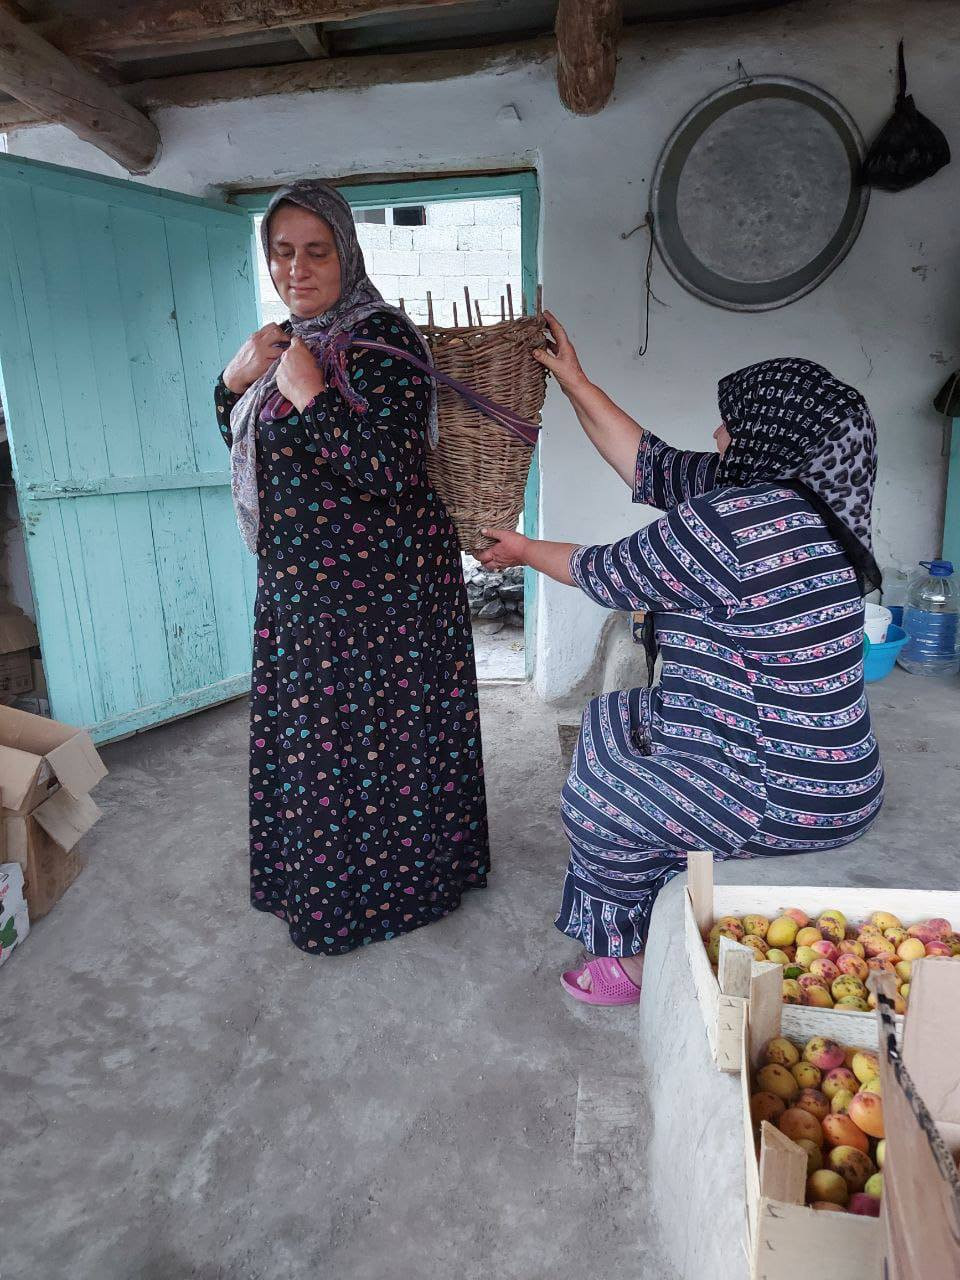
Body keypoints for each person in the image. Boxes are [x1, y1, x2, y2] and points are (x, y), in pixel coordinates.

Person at [480, 315, 883, 1005]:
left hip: (784, 793)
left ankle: (632, 962)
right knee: (613, 721)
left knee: (600, 798)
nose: (720, 432)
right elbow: (652, 465)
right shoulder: (811, 500)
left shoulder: (741, 524)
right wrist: (574, 381)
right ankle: (669, 856)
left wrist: (519, 550)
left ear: (772, 434)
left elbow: (601, 569)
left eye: (735, 422)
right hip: (835, 775)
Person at [215, 180, 489, 956]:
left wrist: (313, 396)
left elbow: (389, 468)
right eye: (282, 252)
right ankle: (319, 887)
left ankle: (394, 895)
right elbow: (252, 448)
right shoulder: (283, 344)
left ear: (347, 253)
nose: (296, 269)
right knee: (318, 749)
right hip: (304, 589)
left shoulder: (381, 342)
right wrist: (231, 384)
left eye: (316, 251)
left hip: (381, 596)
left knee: (378, 746)